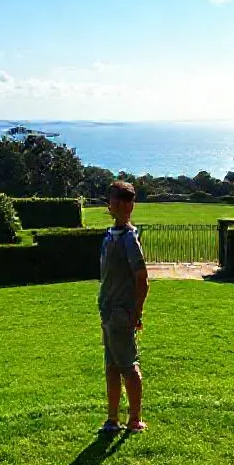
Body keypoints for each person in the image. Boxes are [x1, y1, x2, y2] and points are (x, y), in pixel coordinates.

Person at [99, 181, 150, 434]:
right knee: (111, 366)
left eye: (123, 200)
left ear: (128, 205)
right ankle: (112, 419)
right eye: (115, 199)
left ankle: (134, 419)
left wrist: (136, 313)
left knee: (128, 366)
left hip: (121, 314)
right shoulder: (110, 235)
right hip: (107, 314)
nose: (117, 204)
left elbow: (142, 279)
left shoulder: (129, 239)